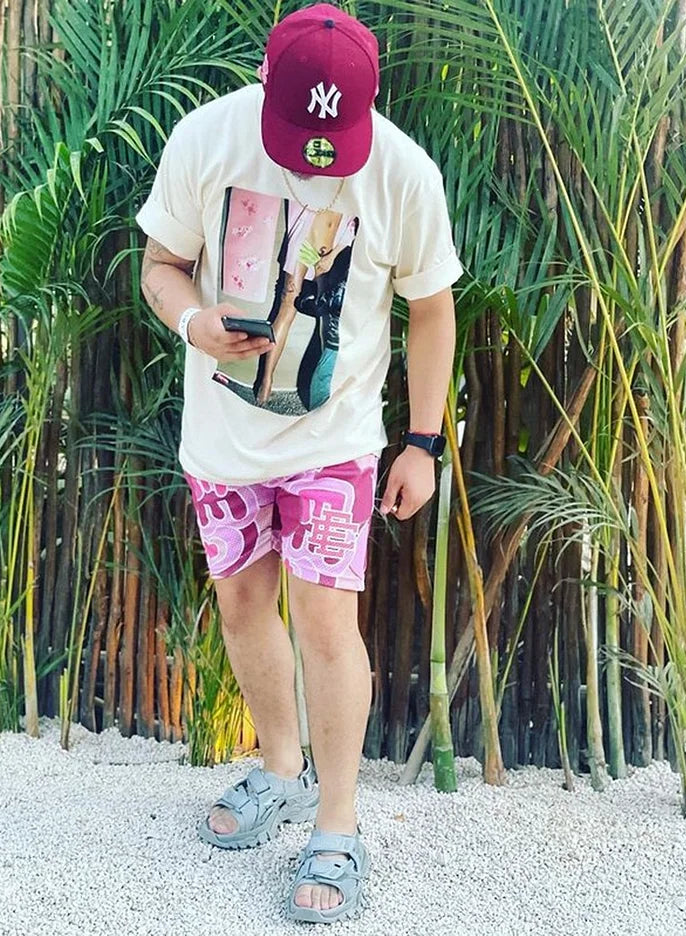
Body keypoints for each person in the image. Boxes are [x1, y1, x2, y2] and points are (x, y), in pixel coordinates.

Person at [135, 2, 462, 924]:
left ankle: (338, 825)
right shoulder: (205, 139)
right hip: (223, 442)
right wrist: (193, 321)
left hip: (335, 440)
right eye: (299, 144)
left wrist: (423, 442)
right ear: (264, 88)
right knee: (243, 606)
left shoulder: (403, 171)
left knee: (325, 621)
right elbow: (161, 262)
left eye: (334, 147)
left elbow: (432, 309)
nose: (317, 164)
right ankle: (282, 769)